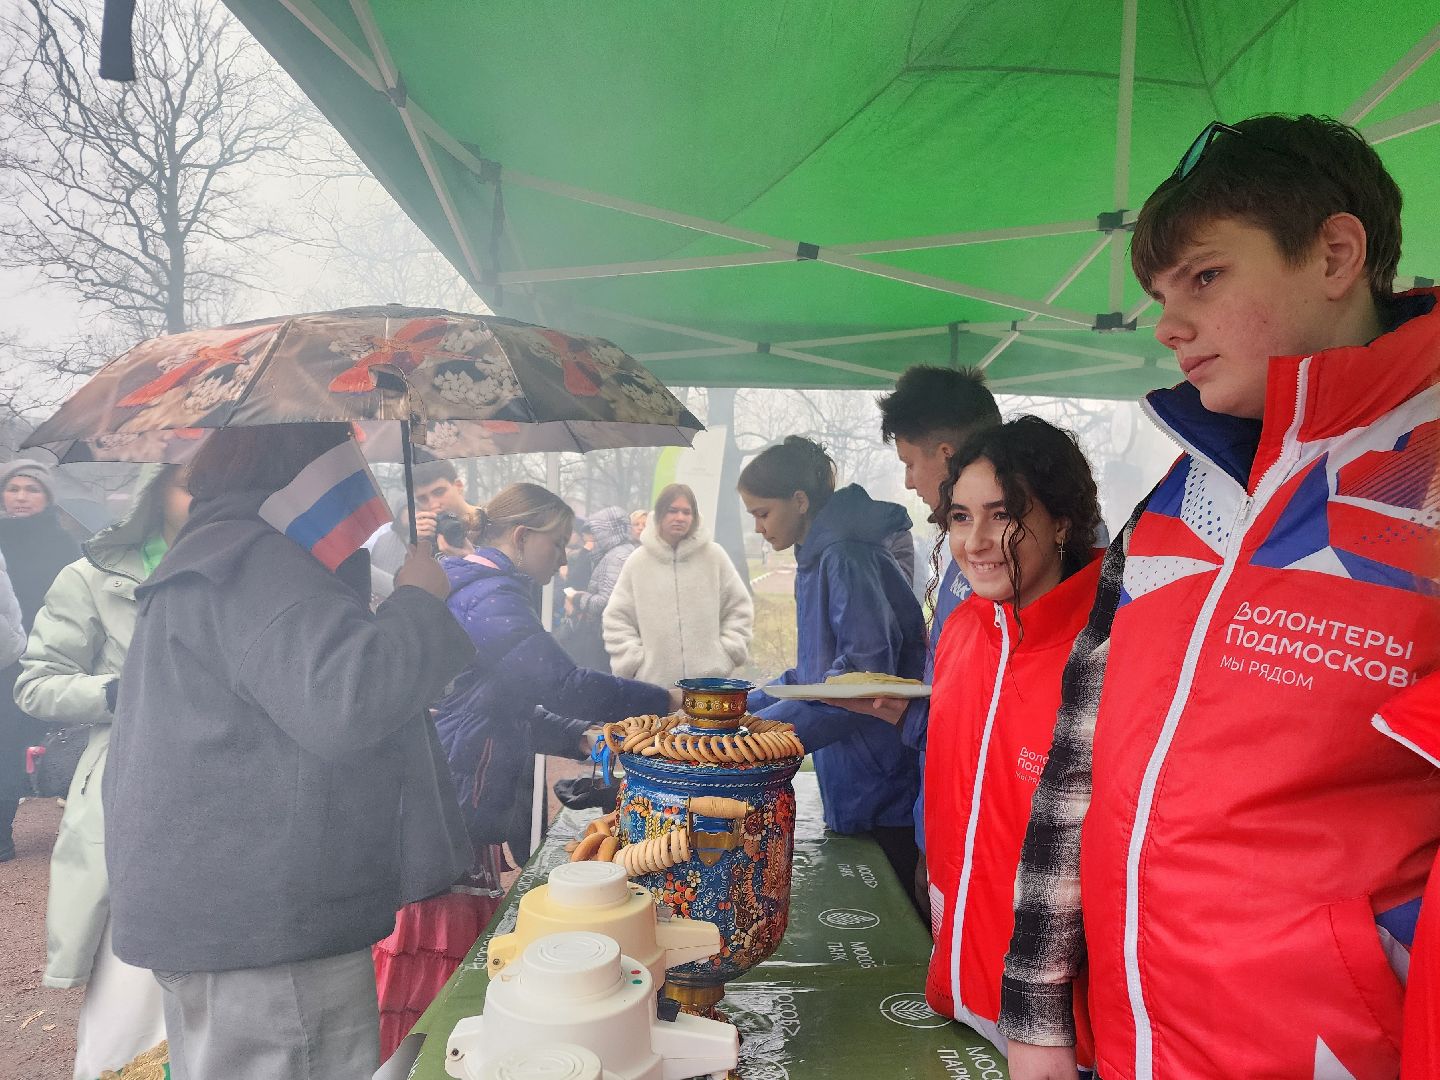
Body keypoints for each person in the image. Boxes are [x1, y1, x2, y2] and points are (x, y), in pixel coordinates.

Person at [999, 114, 1440, 1080]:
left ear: (1335, 253)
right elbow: (1078, 762)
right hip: (1127, 1047)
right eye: (1162, 292)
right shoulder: (1176, 499)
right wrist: (1034, 1018)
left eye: (1205, 277)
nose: (1169, 323)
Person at [104, 423, 475, 1080]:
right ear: (311, 468)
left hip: (228, 903)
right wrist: (419, 599)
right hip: (265, 922)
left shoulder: (222, 549)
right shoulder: (257, 561)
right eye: (347, 459)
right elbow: (348, 699)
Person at [375, 483, 680, 1057]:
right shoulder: (488, 593)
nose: (565, 557)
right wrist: (661, 700)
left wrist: (576, 735)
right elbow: (557, 682)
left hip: (466, 785)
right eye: (558, 543)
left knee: (462, 950)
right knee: (437, 958)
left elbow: (502, 704)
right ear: (521, 537)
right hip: (453, 793)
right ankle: (425, 1057)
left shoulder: (482, 586)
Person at [922, 417, 1102, 1064]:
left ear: (1063, 522)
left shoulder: (1108, 653)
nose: (976, 541)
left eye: (1004, 515)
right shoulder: (964, 631)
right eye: (961, 516)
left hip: (1060, 1034)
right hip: (961, 987)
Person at [15, 465, 190, 1080]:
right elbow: (36, 685)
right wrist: (118, 692)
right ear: (155, 490)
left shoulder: (263, 568)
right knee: (132, 988)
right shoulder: (90, 577)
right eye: (189, 479)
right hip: (133, 785)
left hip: (239, 791)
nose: (204, 493)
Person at [843, 365, 1000, 913]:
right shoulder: (962, 549)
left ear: (947, 453)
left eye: (911, 463)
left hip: (986, 839)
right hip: (941, 820)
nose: (908, 480)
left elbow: (1003, 714)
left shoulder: (1010, 559)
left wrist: (912, 716)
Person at [740, 436, 926, 892]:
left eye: (763, 514)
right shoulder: (818, 557)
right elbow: (815, 674)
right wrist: (739, 708)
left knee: (889, 909)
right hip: (850, 771)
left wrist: (759, 744)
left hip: (880, 776)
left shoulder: (846, 556)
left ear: (799, 501)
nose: (759, 528)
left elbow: (860, 682)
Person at [0, 458, 81, 861]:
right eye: (13, 488)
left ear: (47, 497)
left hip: (41, 655)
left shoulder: (62, 545)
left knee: (14, 744)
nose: (20, 497)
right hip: (5, 650)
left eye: (31, 489)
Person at [603, 483, 753, 685]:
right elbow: (616, 618)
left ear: (694, 517)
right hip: (656, 688)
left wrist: (727, 652)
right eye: (672, 510)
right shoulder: (638, 562)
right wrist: (635, 662)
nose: (680, 517)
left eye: (686, 512)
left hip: (709, 685)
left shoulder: (714, 557)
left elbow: (739, 608)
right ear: (659, 514)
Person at [560, 505, 637, 672]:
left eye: (595, 534)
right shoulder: (621, 552)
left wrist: (578, 598)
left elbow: (607, 601)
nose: (592, 540)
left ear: (606, 532)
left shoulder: (616, 558)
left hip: (604, 637)